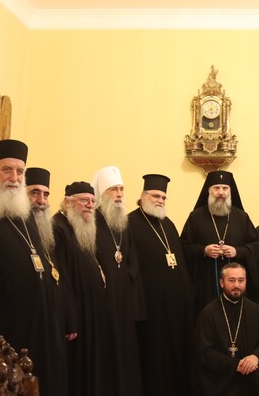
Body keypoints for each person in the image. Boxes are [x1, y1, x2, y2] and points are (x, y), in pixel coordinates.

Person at [0, 139, 68, 396]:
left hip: (38, 323)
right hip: (2, 328)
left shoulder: (24, 211)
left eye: (20, 171)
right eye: (7, 169)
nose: (15, 178)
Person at [128, 174, 195, 396]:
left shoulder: (168, 224)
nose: (160, 200)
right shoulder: (129, 224)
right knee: (154, 357)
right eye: (156, 196)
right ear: (143, 196)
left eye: (163, 197)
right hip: (150, 308)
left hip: (174, 309)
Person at [52, 181, 113, 395]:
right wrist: (70, 317)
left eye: (93, 201)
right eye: (84, 200)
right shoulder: (58, 227)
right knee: (77, 370)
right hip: (76, 313)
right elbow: (61, 276)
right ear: (68, 202)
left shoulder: (81, 227)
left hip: (90, 311)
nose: (90, 205)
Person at [91, 166, 144, 395]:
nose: (119, 194)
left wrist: (135, 303)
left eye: (121, 189)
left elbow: (132, 262)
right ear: (102, 194)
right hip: (103, 300)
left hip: (123, 300)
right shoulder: (91, 221)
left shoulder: (123, 223)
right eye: (113, 189)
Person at [181, 170, 259, 311]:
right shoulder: (196, 217)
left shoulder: (242, 217)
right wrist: (203, 250)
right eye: (216, 188)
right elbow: (183, 246)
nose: (221, 192)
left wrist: (237, 251)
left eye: (225, 188)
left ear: (230, 191)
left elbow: (256, 246)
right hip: (206, 283)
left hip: (236, 286)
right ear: (209, 191)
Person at [193, 262, 259, 396]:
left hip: (251, 374)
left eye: (241, 280)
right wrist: (235, 365)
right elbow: (204, 352)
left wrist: (256, 356)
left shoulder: (254, 310)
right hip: (221, 377)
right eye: (231, 280)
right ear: (221, 283)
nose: (237, 285)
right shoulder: (208, 313)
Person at [25, 167, 55, 254]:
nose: (41, 201)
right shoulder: (17, 227)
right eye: (35, 193)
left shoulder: (49, 231)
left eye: (45, 195)